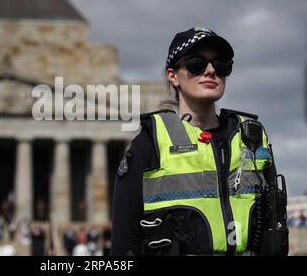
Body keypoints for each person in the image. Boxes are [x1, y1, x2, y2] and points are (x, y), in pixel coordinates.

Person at [111, 27, 289, 256]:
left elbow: (274, 223)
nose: (211, 70)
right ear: (172, 76)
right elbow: (124, 246)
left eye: (221, 63)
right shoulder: (149, 144)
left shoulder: (252, 138)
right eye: (197, 63)